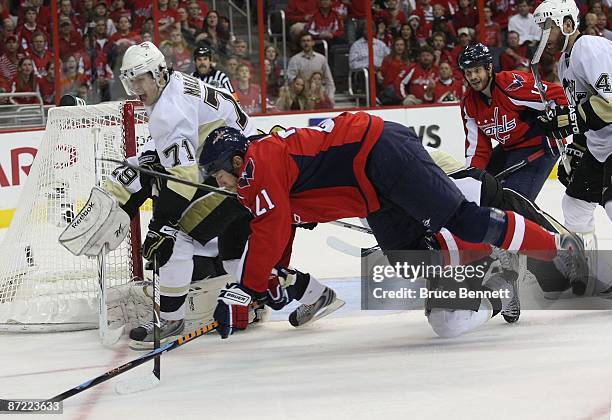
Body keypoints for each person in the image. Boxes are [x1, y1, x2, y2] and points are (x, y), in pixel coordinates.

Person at [198, 112, 586, 339]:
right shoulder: (257, 175)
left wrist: (245, 290)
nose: (219, 184)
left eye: (217, 175)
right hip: (371, 190)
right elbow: (278, 229)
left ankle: (556, 248)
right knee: (408, 261)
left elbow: (272, 226)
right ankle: (495, 279)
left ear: (234, 161)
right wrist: (270, 275)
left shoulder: (255, 164)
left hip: (380, 152)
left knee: (463, 220)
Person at [65, 41, 339, 346]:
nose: (135, 88)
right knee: (235, 258)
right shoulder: (177, 84)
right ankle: (316, 293)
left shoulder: (168, 110)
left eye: (140, 79)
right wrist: (145, 163)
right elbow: (181, 151)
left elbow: (183, 179)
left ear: (157, 74)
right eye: (130, 81)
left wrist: (160, 225)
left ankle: (170, 321)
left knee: (176, 237)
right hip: (249, 165)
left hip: (236, 173)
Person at [532, 0, 612, 252]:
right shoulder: (565, 63)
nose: (543, 36)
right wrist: (577, 145)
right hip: (602, 146)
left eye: (547, 28)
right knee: (575, 203)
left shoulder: (588, 47)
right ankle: (587, 267)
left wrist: (567, 120)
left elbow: (609, 102)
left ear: (567, 24)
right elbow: (584, 109)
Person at [459, 43, 568, 201]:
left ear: (489, 68)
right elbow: (478, 149)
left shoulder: (511, 85)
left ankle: (528, 225)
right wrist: (471, 176)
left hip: (540, 145)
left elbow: (558, 95)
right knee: (478, 190)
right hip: (510, 148)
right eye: (468, 73)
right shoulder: (469, 103)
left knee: (514, 202)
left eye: (477, 70)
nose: (473, 77)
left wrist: (562, 117)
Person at [286, 33, 336, 101]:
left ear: (313, 43)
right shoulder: (294, 60)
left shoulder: (321, 59)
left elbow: (329, 80)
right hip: (301, 96)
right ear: (301, 43)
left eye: (308, 41)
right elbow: (291, 79)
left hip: (319, 95)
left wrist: (330, 97)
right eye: (303, 41)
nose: (306, 43)